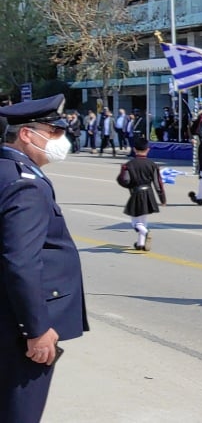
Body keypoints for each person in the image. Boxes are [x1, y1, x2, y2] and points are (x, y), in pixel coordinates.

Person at [0, 94, 88, 422]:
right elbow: (21, 261)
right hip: (16, 326)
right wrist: (36, 329)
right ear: (26, 134)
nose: (61, 139)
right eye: (54, 132)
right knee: (19, 412)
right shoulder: (25, 185)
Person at [116, 137, 166, 251]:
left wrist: (128, 183)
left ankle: (146, 232)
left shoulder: (129, 165)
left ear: (134, 149)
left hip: (137, 192)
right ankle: (140, 243)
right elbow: (158, 183)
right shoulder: (152, 165)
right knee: (143, 219)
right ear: (148, 150)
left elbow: (124, 180)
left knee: (135, 222)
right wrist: (162, 198)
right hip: (149, 192)